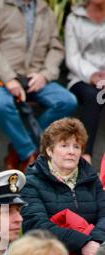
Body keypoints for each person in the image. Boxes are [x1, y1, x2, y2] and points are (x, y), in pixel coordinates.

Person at [0, 0, 77, 171]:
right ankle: (30, 155)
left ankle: (18, 149)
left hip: (34, 78)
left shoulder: (46, 11)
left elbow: (56, 48)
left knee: (67, 101)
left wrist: (45, 75)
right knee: (0, 104)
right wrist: (8, 78)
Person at [21, 117, 105, 255]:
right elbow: (36, 225)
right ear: (49, 151)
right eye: (64, 145)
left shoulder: (91, 178)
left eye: (77, 146)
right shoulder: (31, 181)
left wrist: (95, 242)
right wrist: (84, 243)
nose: (72, 151)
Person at [65, 0, 105, 162]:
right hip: (81, 78)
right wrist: (93, 75)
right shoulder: (74, 19)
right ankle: (84, 156)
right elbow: (72, 57)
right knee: (94, 96)